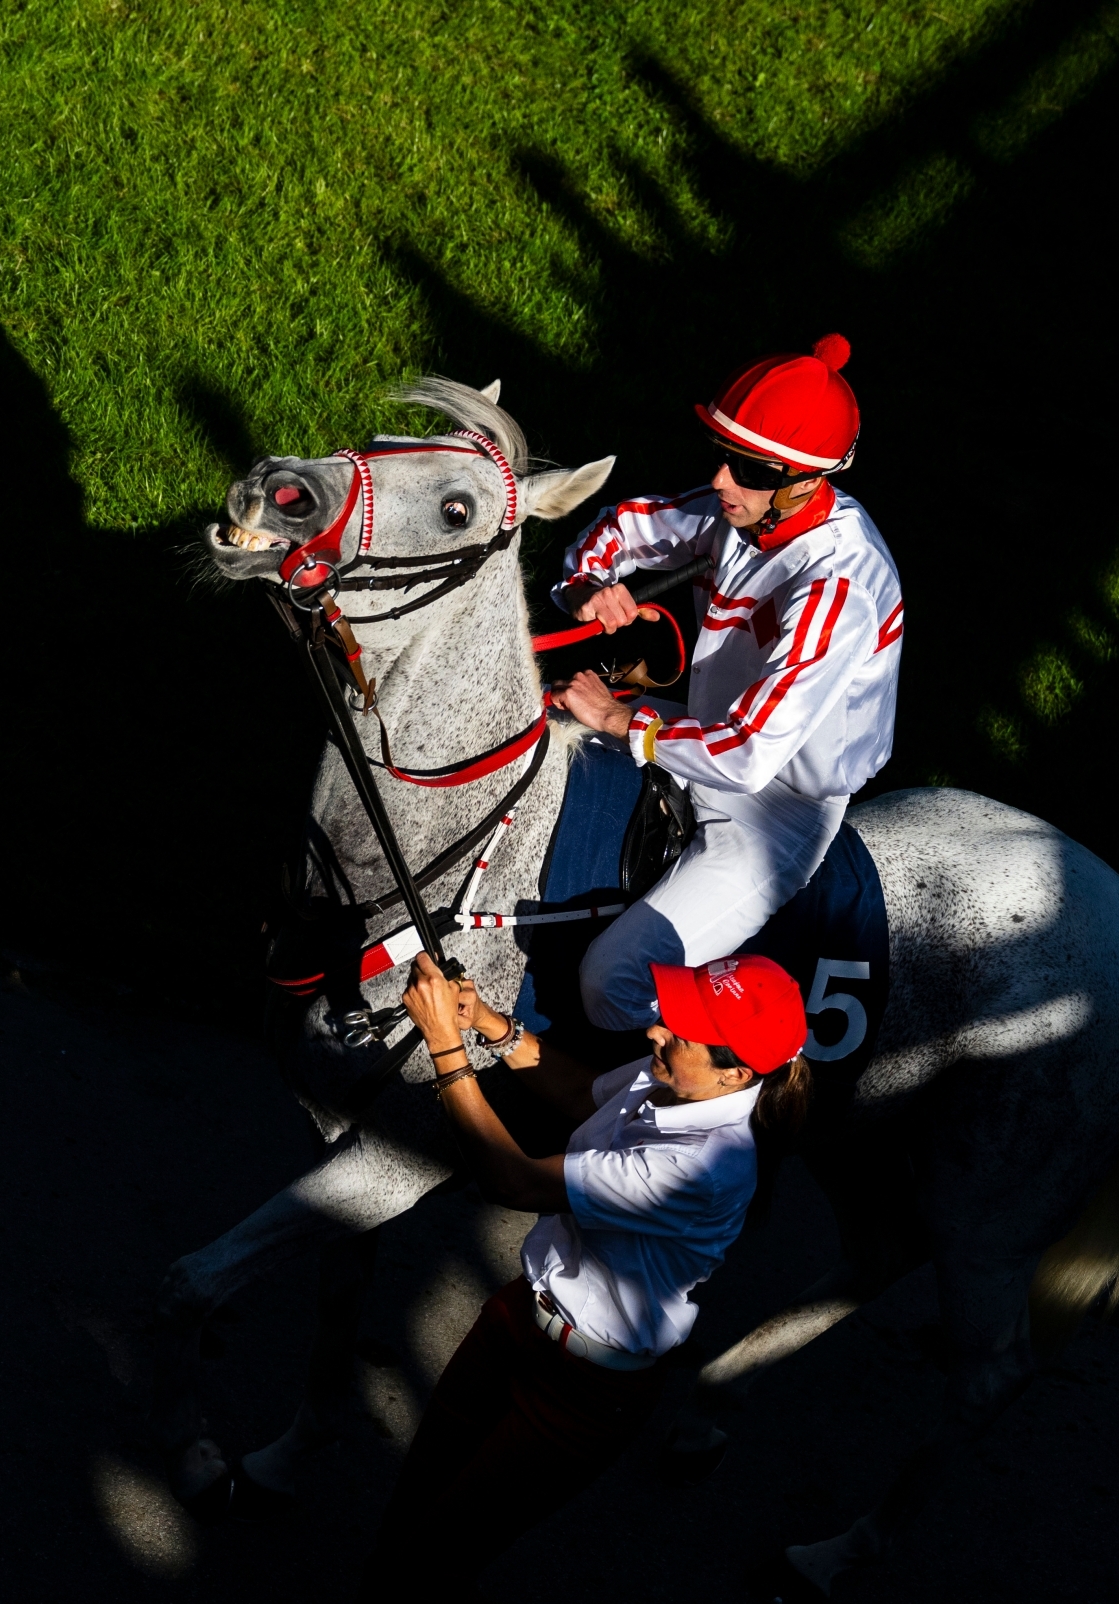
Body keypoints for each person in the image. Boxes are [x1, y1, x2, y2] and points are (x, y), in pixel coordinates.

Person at [360, 949, 810, 1596]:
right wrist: (487, 1022)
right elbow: (579, 1092)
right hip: (515, 1319)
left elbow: (512, 1179)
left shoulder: (708, 1166)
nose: (656, 1028)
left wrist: (444, 1049)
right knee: (408, 1511)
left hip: (582, 1395)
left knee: (435, 1560)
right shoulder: (675, 1075)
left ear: (734, 1073)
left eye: (680, 1032)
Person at [553, 335, 904, 1032]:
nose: (720, 480)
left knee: (609, 981)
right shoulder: (747, 507)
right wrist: (590, 587)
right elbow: (622, 527)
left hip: (775, 811)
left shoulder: (840, 588)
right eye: (722, 455)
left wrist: (621, 722)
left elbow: (747, 755)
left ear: (804, 480)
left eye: (744, 467)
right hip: (697, 726)